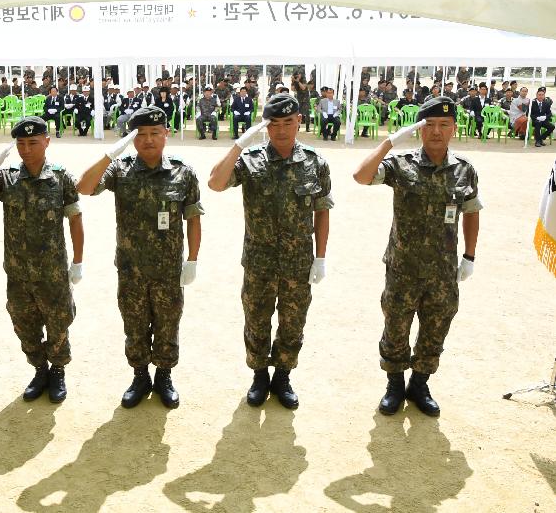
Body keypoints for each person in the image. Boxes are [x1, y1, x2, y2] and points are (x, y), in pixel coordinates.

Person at [352, 96, 482, 417]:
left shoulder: (465, 171)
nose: (437, 132)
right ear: (420, 130)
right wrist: (388, 143)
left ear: (453, 129)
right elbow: (361, 176)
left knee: (436, 327)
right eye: (430, 125)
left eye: (444, 125)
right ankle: (395, 384)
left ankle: (420, 383)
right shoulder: (401, 164)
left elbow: (471, 212)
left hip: (442, 270)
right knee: (396, 325)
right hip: (403, 267)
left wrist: (469, 256)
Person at [208, 94, 332, 409]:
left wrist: (321, 256)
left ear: (299, 122)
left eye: (287, 123)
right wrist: (238, 144)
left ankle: (283, 376)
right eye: (273, 124)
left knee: (293, 322)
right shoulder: (250, 159)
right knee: (257, 320)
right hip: (259, 262)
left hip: (297, 262)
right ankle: (259, 375)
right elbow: (215, 183)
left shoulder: (315, 163)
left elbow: (322, 211)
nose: (280, 130)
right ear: (265, 126)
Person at [77, 106, 203, 409]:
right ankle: (139, 376)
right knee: (134, 324)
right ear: (132, 139)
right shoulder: (121, 170)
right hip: (131, 269)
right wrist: (110, 154)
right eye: (141, 135)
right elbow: (84, 186)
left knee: (167, 323)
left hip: (169, 269)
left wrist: (193, 260)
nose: (148, 140)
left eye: (155, 133)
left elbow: (194, 218)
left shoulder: (183, 173)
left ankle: (164, 375)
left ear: (166, 134)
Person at [0, 117, 83, 403]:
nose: (27, 149)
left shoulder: (61, 177)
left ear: (46, 141)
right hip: (18, 273)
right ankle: (39, 369)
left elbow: (75, 220)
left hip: (52, 272)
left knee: (58, 322)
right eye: (21, 143)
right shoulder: (6, 178)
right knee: (23, 323)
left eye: (33, 142)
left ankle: (57, 371)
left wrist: (77, 261)